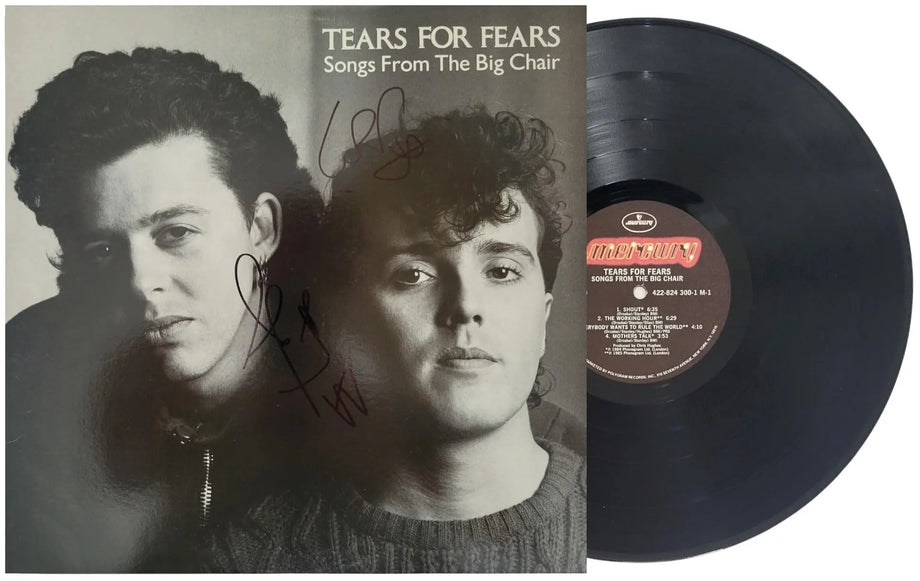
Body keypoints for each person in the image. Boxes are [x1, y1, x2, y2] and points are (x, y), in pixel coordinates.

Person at [205, 106, 586, 573]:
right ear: (348, 326)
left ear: (543, 319)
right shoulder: (245, 560)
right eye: (413, 274)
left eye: (502, 271)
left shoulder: (624, 519)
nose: (465, 306)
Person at [6, 47, 323, 572]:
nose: (139, 283)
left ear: (261, 228)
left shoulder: (359, 385)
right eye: (103, 250)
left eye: (176, 233)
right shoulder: (25, 374)